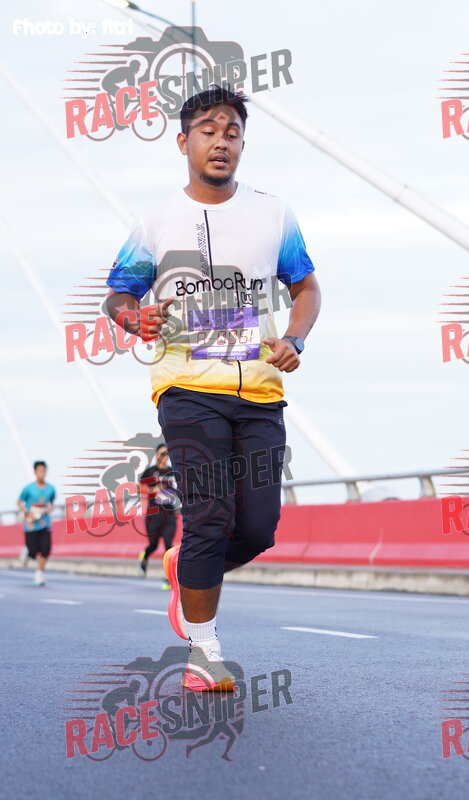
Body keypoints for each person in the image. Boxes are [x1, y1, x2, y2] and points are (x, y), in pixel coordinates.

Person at [105, 85, 321, 691]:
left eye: (232, 132)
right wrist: (132, 318)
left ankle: (185, 567)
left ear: (242, 144)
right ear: (184, 142)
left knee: (257, 528)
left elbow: (306, 287)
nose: (221, 141)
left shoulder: (274, 214)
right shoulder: (154, 222)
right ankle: (203, 654)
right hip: (186, 387)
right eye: (208, 131)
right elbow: (117, 295)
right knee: (208, 514)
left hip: (260, 390)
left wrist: (295, 339)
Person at [138, 443, 178, 589]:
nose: (164, 456)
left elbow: (180, 488)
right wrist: (153, 489)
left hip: (169, 514)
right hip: (153, 515)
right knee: (153, 545)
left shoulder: (173, 472)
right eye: (162, 454)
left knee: (169, 545)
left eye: (167, 453)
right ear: (156, 455)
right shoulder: (150, 471)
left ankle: (169, 578)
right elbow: (138, 488)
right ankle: (145, 556)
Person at [17, 461, 56, 586]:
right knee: (33, 551)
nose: (42, 474)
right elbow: (19, 502)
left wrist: (50, 508)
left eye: (43, 471)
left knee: (46, 549)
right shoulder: (28, 489)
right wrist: (27, 512)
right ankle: (28, 551)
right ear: (35, 472)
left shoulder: (50, 489)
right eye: (39, 471)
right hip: (31, 524)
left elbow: (52, 502)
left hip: (45, 523)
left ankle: (39, 575)